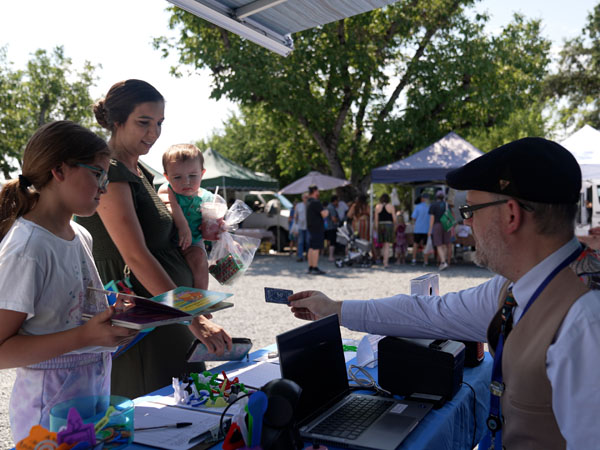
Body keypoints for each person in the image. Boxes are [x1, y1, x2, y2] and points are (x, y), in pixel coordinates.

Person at [287, 137, 600, 449]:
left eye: (471, 210)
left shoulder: (584, 321)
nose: (466, 224)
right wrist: (335, 309)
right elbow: (428, 313)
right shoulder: (518, 286)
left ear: (511, 215)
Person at [76, 79, 231, 399]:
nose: (154, 133)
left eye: (159, 123)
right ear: (117, 121)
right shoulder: (111, 170)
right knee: (156, 415)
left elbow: (164, 238)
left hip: (167, 313)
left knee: (185, 410)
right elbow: (135, 255)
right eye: (143, 122)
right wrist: (194, 319)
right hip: (142, 321)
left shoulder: (140, 171)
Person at [0, 121, 138, 442]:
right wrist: (84, 336)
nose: (104, 187)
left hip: (91, 402)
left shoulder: (82, 236)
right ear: (59, 170)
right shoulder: (28, 248)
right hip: (45, 420)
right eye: (97, 174)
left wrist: (113, 320)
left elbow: (71, 314)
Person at [157, 144, 214, 289]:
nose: (186, 181)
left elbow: (214, 221)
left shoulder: (207, 198)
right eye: (177, 177)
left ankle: (202, 299)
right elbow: (171, 204)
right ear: (167, 177)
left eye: (193, 176)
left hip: (193, 242)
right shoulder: (167, 189)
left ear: (202, 174)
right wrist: (183, 225)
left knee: (199, 260)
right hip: (169, 244)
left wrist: (218, 227)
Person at [306, 185, 328, 274]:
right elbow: (324, 214)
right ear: (315, 191)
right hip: (317, 228)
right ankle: (315, 267)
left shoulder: (308, 202)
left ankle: (310, 266)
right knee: (316, 248)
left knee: (311, 248)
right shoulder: (316, 202)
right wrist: (327, 211)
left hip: (311, 227)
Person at [428, 190, 451, 271]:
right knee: (445, 244)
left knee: (438, 244)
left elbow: (432, 218)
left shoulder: (433, 205)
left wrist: (430, 229)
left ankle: (443, 262)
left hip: (437, 225)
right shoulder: (446, 205)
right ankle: (444, 261)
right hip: (446, 225)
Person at [374, 193, 397, 268]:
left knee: (382, 245)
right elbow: (394, 219)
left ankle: (382, 260)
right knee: (387, 245)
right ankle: (385, 262)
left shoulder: (377, 206)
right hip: (388, 226)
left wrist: (377, 228)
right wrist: (395, 227)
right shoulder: (391, 206)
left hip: (380, 226)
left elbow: (376, 220)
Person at [410, 193, 431, 266]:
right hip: (427, 229)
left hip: (418, 228)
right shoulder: (430, 207)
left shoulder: (417, 207)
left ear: (422, 199)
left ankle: (413, 260)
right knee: (425, 245)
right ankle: (425, 261)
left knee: (415, 244)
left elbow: (413, 217)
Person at [294, 193, 309, 262]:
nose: (306, 198)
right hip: (300, 226)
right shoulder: (298, 205)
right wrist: (295, 226)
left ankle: (308, 255)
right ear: (302, 198)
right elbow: (296, 216)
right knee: (300, 242)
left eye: (307, 197)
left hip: (308, 227)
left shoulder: (310, 205)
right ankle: (300, 256)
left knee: (308, 242)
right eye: (305, 197)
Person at [326, 196, 341, 262]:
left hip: (329, 227)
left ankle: (330, 255)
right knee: (332, 242)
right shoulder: (331, 208)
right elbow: (333, 218)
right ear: (335, 201)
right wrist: (338, 220)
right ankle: (331, 256)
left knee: (330, 241)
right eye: (337, 201)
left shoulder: (329, 207)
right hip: (332, 227)